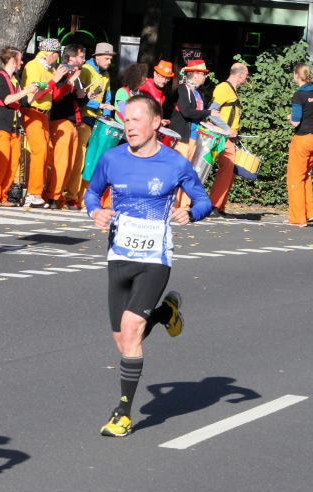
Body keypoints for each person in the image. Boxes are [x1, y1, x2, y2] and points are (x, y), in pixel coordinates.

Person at [83, 94, 211, 437]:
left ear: (156, 123)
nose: (129, 126)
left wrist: (191, 212)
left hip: (155, 258)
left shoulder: (175, 163)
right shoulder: (112, 158)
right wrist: (96, 211)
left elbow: (204, 200)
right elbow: (91, 193)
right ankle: (165, 313)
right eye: (126, 120)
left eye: (136, 119)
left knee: (130, 330)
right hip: (119, 256)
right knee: (122, 340)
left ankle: (123, 414)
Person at [64, 42, 116, 211]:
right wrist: (99, 105)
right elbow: (81, 97)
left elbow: (107, 97)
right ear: (97, 57)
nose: (109, 62)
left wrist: (106, 113)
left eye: (110, 59)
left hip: (98, 121)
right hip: (84, 118)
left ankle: (85, 197)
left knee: (92, 160)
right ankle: (71, 196)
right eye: (107, 58)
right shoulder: (86, 70)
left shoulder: (106, 75)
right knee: (80, 159)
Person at [0, 47, 38, 206]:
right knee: (1, 161)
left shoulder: (15, 79)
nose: (22, 62)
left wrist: (37, 92)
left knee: (13, 163)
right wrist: (27, 90)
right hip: (1, 122)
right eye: (20, 59)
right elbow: (7, 99)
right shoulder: (0, 77)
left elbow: (24, 102)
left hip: (14, 125)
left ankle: (3, 195)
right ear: (13, 60)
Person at [21, 38, 69, 208]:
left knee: (43, 153)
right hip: (32, 111)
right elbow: (36, 94)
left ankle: (36, 192)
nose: (57, 59)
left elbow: (53, 96)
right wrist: (55, 79)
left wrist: (67, 82)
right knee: (40, 150)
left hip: (43, 114)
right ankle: (32, 193)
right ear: (51, 54)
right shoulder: (33, 66)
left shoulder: (49, 69)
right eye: (56, 55)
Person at [43, 44, 86, 209]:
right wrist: (70, 81)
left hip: (73, 121)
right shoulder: (62, 72)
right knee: (60, 161)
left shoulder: (75, 74)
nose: (83, 60)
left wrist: (84, 96)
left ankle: (58, 195)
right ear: (71, 57)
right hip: (61, 120)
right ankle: (52, 195)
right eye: (81, 56)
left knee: (69, 163)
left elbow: (73, 98)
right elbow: (57, 97)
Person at [284, 62, 313, 227]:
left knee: (295, 177)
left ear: (296, 75)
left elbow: (296, 122)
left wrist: (290, 117)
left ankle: (297, 218)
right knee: (305, 175)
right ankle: (311, 212)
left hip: (303, 138)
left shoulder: (299, 95)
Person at [208, 63, 249, 217]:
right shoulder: (224, 88)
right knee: (226, 169)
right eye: (246, 75)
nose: (247, 78)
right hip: (221, 136)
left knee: (229, 172)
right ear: (240, 74)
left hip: (227, 136)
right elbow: (212, 112)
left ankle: (219, 206)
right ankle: (214, 205)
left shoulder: (232, 90)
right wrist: (227, 129)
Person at [168, 60, 217, 161]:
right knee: (179, 167)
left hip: (194, 137)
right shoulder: (182, 89)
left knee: (188, 168)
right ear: (195, 74)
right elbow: (186, 112)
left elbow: (196, 113)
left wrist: (203, 120)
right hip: (182, 138)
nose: (206, 76)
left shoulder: (198, 92)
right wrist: (209, 112)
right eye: (204, 74)